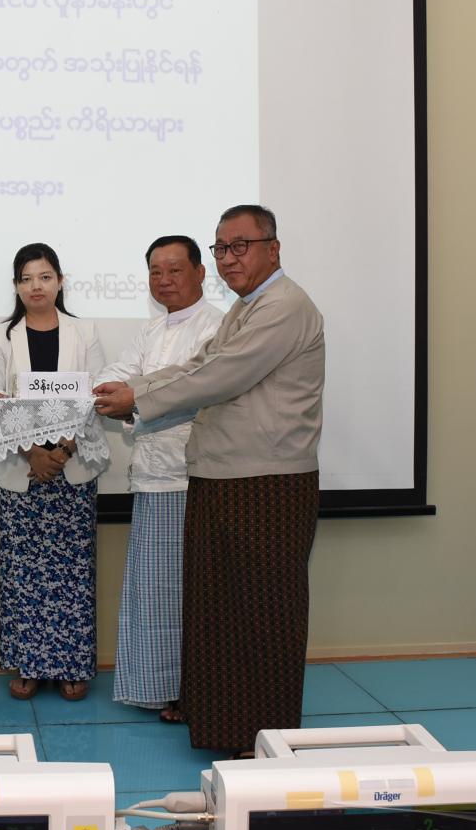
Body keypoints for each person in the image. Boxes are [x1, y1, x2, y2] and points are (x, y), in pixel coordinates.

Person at [94, 204, 324, 755]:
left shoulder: (283, 306)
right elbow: (198, 364)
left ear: (273, 248)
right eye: (222, 247)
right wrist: (134, 393)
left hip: (265, 483)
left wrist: (138, 399)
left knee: (261, 614)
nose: (229, 258)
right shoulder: (246, 308)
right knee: (221, 613)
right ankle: (227, 725)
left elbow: (220, 375)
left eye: (241, 245)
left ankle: (261, 736)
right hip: (226, 478)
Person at [94, 236, 223, 721]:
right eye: (155, 271)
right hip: (151, 479)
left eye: (174, 269)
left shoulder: (218, 327)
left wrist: (133, 399)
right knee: (154, 596)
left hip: (194, 480)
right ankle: (159, 688)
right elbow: (118, 375)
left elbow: (190, 391)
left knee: (194, 597)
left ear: (200, 272)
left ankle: (196, 692)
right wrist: (94, 390)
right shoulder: (150, 331)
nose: (164, 280)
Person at [0, 243, 107, 701]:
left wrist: (64, 448)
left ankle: (72, 665)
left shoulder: (84, 332)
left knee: (73, 574)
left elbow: (96, 397)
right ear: (16, 285)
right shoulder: (0, 337)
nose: (36, 286)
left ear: (60, 281)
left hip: (73, 469)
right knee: (23, 575)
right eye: (27, 278)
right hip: (23, 472)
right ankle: (30, 665)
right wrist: (33, 453)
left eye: (45, 276)